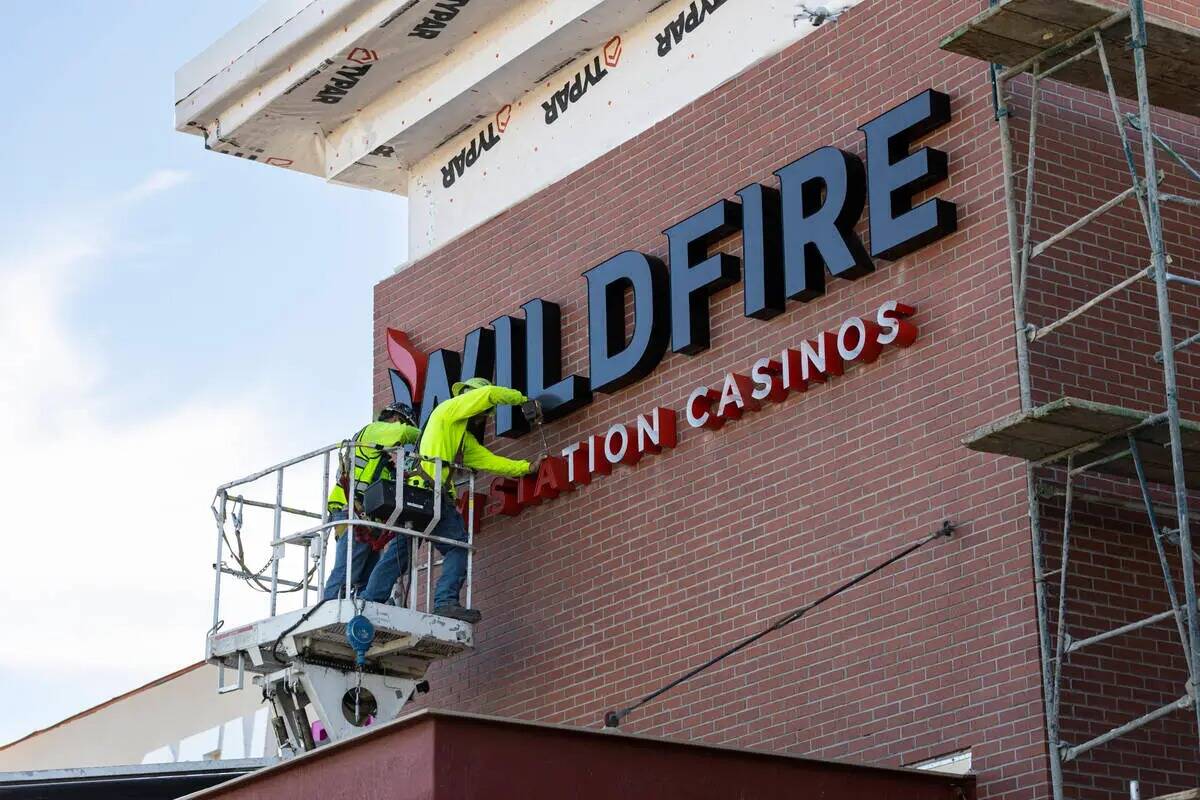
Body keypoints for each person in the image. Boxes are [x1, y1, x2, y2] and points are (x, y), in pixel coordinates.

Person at [359, 377, 535, 622]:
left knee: (400, 552)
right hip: (430, 495)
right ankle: (445, 602)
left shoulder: (457, 434)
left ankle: (370, 601)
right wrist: (524, 400)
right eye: (485, 410)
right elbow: (490, 394)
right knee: (456, 546)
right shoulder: (448, 409)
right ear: (472, 397)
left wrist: (525, 468)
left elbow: (487, 460)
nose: (485, 415)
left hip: (417, 494)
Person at [321, 403, 421, 601]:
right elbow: (404, 432)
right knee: (347, 571)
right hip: (352, 511)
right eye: (400, 423)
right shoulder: (375, 431)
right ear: (393, 419)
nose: (401, 445)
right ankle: (328, 607)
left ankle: (358, 610)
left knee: (366, 576)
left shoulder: (379, 454)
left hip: (366, 518)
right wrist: (428, 435)